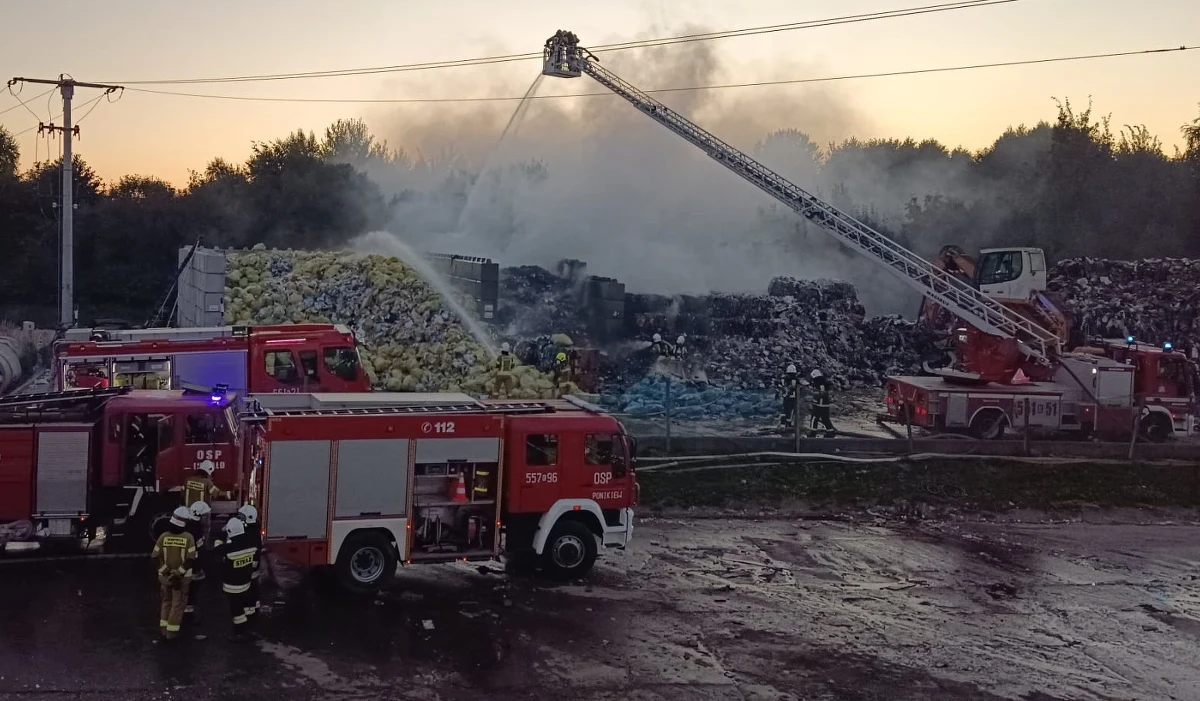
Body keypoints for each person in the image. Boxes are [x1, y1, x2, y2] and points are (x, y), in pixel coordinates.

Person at [152, 506, 197, 640]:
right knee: (177, 605)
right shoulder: (189, 537)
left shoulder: (163, 537)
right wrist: (177, 575)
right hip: (181, 581)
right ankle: (172, 633)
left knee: (166, 602)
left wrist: (167, 573)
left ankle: (164, 631)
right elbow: (190, 560)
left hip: (165, 579)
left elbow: (154, 558)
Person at [216, 518, 258, 636]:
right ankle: (247, 624)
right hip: (246, 583)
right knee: (243, 604)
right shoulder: (251, 545)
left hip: (232, 586)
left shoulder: (228, 549)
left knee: (236, 609)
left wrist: (220, 535)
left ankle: (239, 630)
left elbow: (217, 549)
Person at [183, 501, 211, 619]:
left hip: (188, 565)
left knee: (190, 591)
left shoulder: (190, 525)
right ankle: (187, 615)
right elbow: (199, 551)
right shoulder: (195, 529)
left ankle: (187, 612)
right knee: (190, 590)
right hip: (191, 566)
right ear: (199, 516)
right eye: (205, 516)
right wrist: (199, 567)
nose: (207, 519)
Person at [235, 504, 262, 620]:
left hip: (250, 564)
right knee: (253, 585)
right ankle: (254, 604)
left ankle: (249, 610)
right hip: (253, 564)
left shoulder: (249, 532)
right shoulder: (254, 529)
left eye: (241, 516)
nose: (239, 518)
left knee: (249, 586)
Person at [809, 369, 836, 436]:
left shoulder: (818, 383)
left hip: (819, 405)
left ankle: (812, 433)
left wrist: (814, 398)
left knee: (814, 419)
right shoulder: (825, 382)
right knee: (825, 419)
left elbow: (821, 393)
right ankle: (830, 432)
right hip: (826, 404)